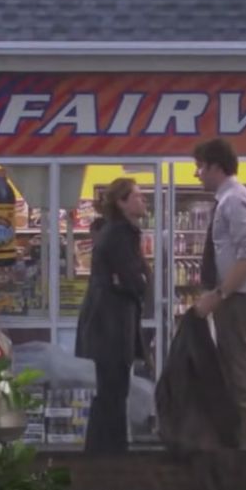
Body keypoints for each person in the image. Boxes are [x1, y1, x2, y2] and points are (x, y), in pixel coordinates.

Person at [191, 138, 246, 448]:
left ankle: (243, 464)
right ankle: (241, 455)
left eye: (200, 167)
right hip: (244, 300)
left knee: (239, 385)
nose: (197, 174)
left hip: (240, 302)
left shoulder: (233, 201)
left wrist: (219, 293)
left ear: (216, 166)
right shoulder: (241, 199)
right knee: (238, 379)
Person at [75, 178, 150, 454]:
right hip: (111, 326)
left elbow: (130, 278)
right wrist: (135, 281)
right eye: (138, 196)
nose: (144, 200)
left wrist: (132, 280)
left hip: (109, 325)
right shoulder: (120, 234)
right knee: (113, 395)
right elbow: (135, 280)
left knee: (110, 394)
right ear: (122, 202)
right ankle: (111, 460)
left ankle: (102, 459)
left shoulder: (118, 232)